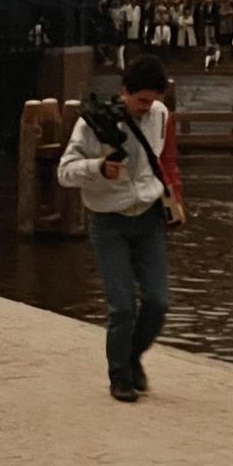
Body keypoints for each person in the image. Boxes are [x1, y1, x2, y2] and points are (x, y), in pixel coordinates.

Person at [58, 56, 178, 403]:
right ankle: (119, 376)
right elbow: (64, 172)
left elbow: (165, 160)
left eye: (154, 99)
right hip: (109, 220)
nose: (147, 107)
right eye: (141, 100)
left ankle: (133, 354)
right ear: (123, 91)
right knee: (122, 305)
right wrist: (98, 167)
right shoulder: (92, 125)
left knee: (157, 300)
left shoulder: (160, 116)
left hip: (148, 216)